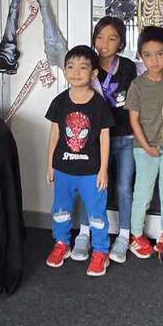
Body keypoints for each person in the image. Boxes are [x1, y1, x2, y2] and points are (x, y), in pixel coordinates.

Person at [71, 16, 137, 264]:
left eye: (112, 38)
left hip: (126, 137)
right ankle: (84, 233)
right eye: (99, 37)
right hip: (97, 141)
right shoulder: (88, 64)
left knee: (124, 188)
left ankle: (124, 235)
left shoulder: (128, 67)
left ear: (121, 42)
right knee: (94, 187)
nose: (104, 43)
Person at [45, 45, 114, 276]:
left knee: (96, 214)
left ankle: (101, 251)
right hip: (63, 169)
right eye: (71, 67)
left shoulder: (99, 104)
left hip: (91, 172)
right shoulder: (59, 101)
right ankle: (62, 243)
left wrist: (103, 169)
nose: (76, 72)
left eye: (83, 67)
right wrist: (50, 165)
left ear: (94, 73)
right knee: (61, 209)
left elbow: (104, 137)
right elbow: (54, 135)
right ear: (64, 70)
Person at [126, 26, 163, 259]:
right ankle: (136, 235)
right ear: (141, 55)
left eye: (160, 53)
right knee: (142, 194)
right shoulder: (137, 85)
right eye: (148, 55)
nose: (154, 60)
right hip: (145, 149)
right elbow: (133, 119)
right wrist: (146, 146)